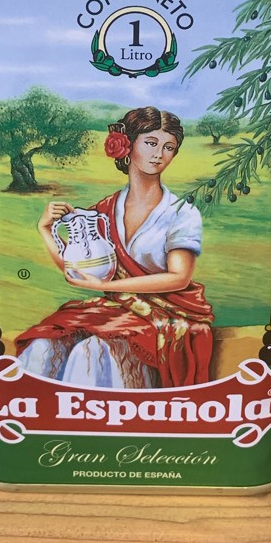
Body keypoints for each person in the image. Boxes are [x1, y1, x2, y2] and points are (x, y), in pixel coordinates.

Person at [16, 107, 213, 388]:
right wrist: (45, 230)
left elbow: (179, 278)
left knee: (91, 353)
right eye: (151, 143)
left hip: (168, 313)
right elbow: (78, 269)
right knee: (43, 345)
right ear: (127, 145)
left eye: (168, 147)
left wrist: (103, 286)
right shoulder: (105, 210)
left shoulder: (181, 212)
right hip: (117, 310)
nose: (159, 154)